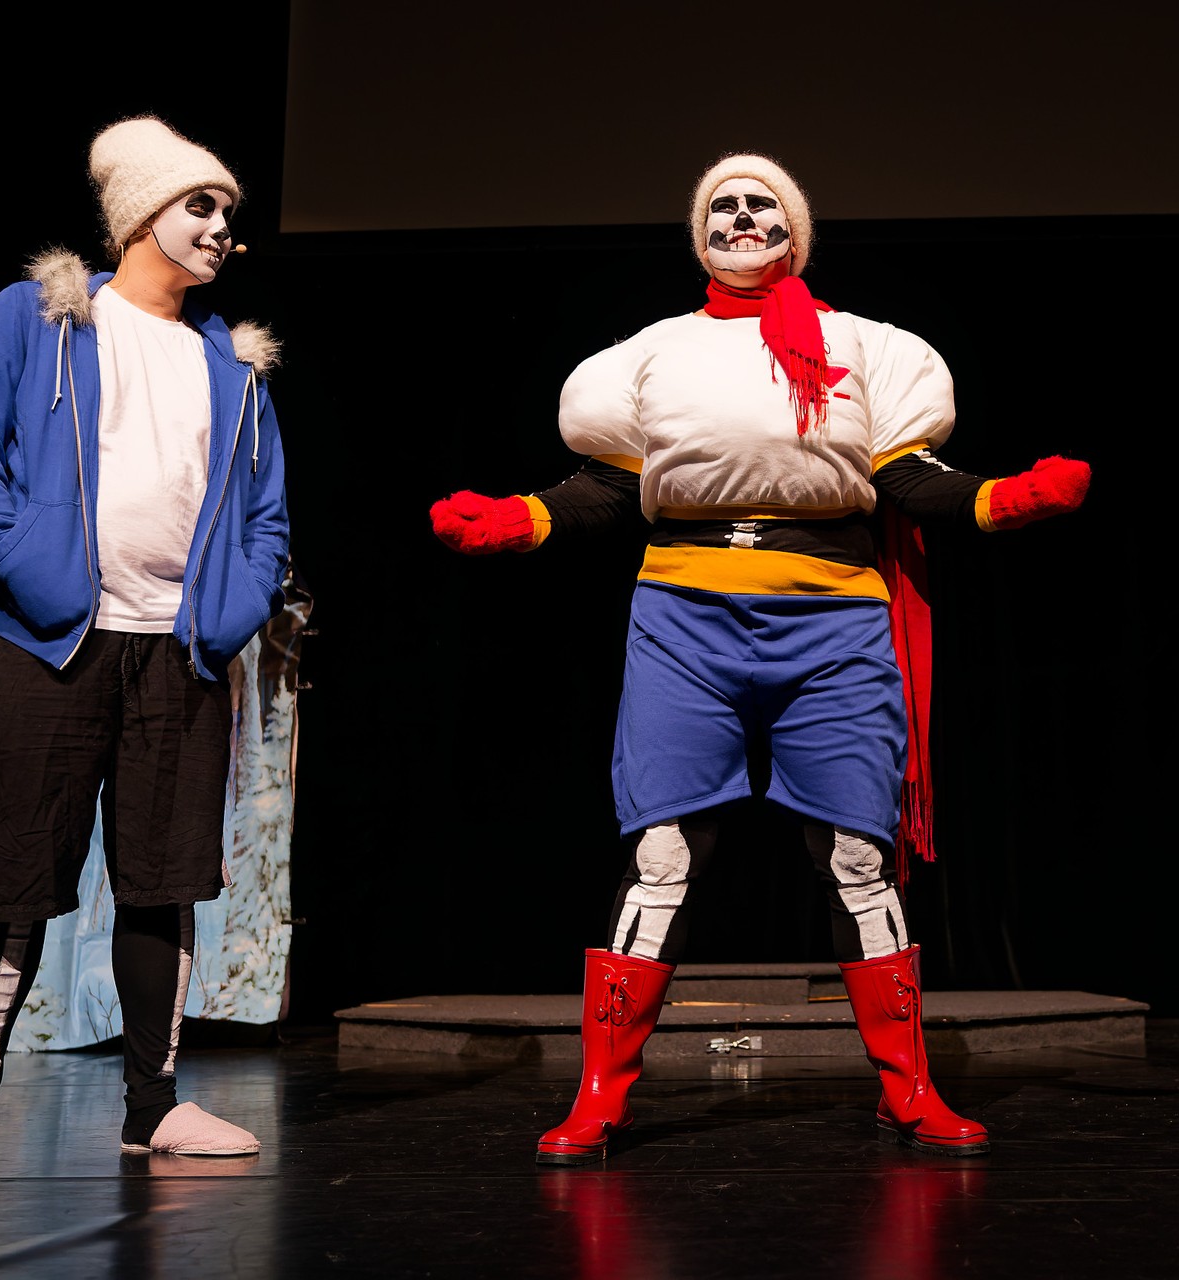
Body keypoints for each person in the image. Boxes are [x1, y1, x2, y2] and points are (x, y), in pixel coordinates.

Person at [430, 152, 1093, 1165]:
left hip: (834, 623)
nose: (742, 216)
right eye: (723, 205)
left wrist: (1006, 500)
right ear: (700, 234)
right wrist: (518, 520)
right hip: (684, 621)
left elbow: (909, 479)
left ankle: (909, 1089)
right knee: (661, 854)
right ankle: (601, 1094)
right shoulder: (651, 355)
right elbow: (609, 486)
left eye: (762, 203)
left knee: (858, 856)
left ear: (796, 231)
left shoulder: (867, 348)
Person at [0, 116, 291, 1176]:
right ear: (141, 214)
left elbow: (267, 516)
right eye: (200, 205)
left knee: (163, 881)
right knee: (9, 877)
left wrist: (232, 609)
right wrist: (30, 564)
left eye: (228, 211)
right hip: (50, 645)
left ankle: (155, 1104)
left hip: (180, 653)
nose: (222, 227)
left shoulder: (231, 362)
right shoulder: (38, 318)